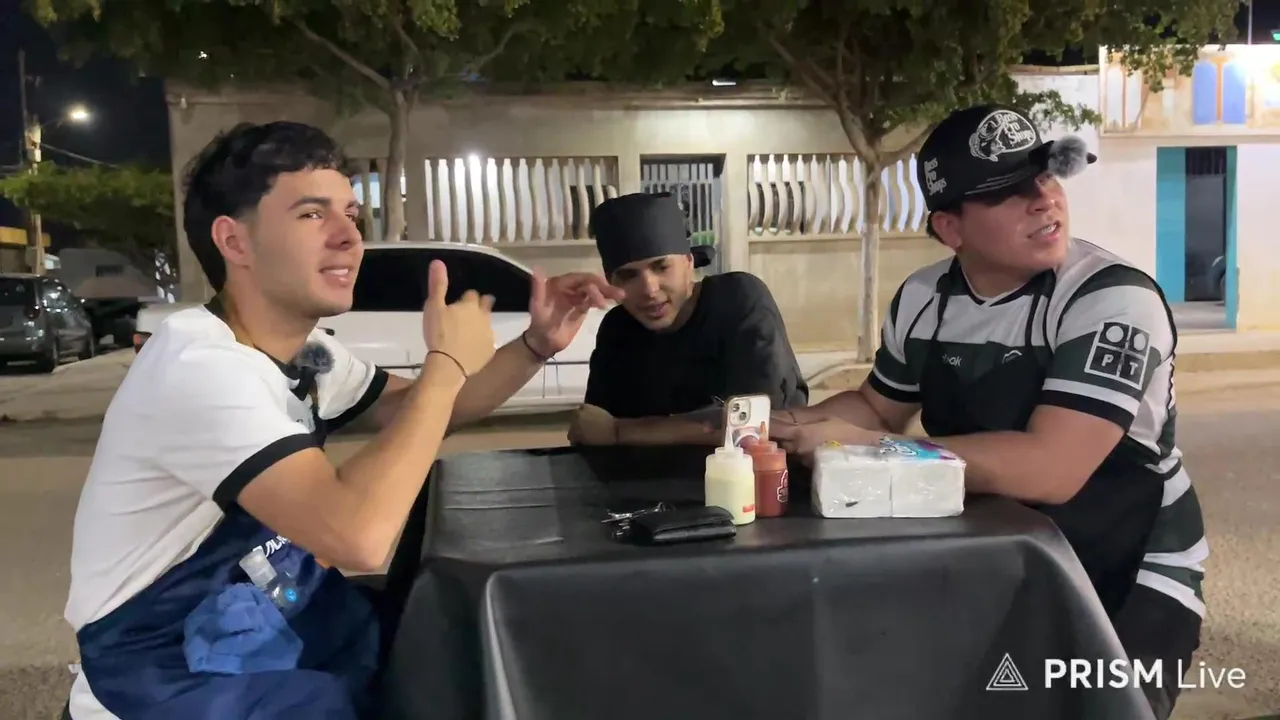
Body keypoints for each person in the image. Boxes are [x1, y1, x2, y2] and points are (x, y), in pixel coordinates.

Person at [62, 121, 620, 720]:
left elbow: (421, 410)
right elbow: (357, 535)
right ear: (235, 241)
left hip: (260, 612)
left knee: (457, 645)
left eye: (351, 214)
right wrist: (447, 361)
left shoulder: (308, 353)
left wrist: (536, 343)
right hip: (165, 661)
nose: (349, 237)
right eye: (312, 214)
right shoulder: (200, 367)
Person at [771, 105, 1206, 720]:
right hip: (1000, 548)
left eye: (1046, 175)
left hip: (1133, 564)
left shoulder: (1111, 298)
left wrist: (864, 447)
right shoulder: (924, 297)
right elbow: (876, 407)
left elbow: (1051, 468)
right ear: (950, 227)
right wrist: (781, 426)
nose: (1043, 200)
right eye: (1007, 192)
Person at [567, 192, 808, 446]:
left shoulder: (737, 299)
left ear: (688, 262)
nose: (649, 289)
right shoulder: (618, 329)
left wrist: (620, 432)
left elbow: (752, 425)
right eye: (628, 276)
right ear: (610, 282)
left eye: (661, 267)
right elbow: (592, 427)